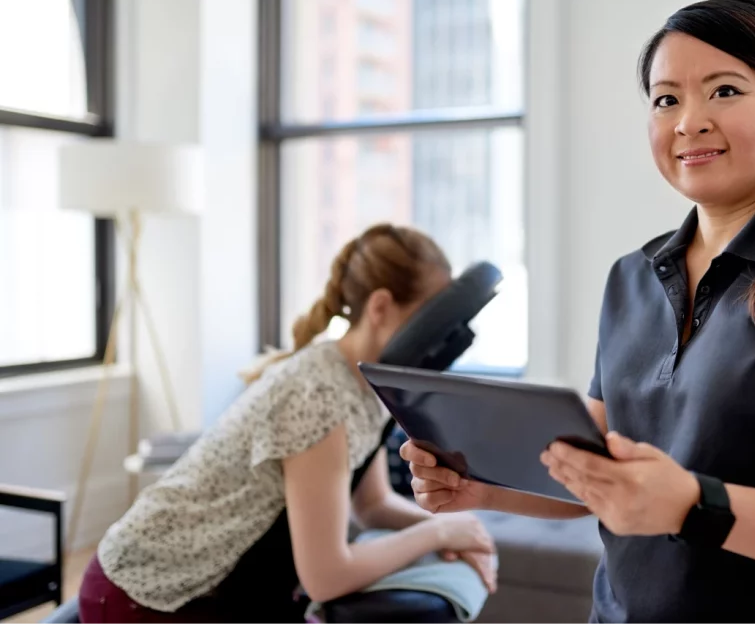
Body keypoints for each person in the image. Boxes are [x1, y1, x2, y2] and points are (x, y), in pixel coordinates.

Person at [400, 0, 755, 623]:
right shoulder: (631, 278)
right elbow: (599, 479)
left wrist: (691, 504)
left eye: (725, 91)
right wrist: (481, 489)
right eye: (666, 99)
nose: (689, 122)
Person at [79, 223, 498, 624]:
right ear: (380, 307)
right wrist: (439, 535)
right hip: (146, 595)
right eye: (431, 320)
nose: (439, 339)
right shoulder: (318, 393)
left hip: (223, 590)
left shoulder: (364, 383)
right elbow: (326, 576)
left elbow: (371, 505)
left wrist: (459, 530)